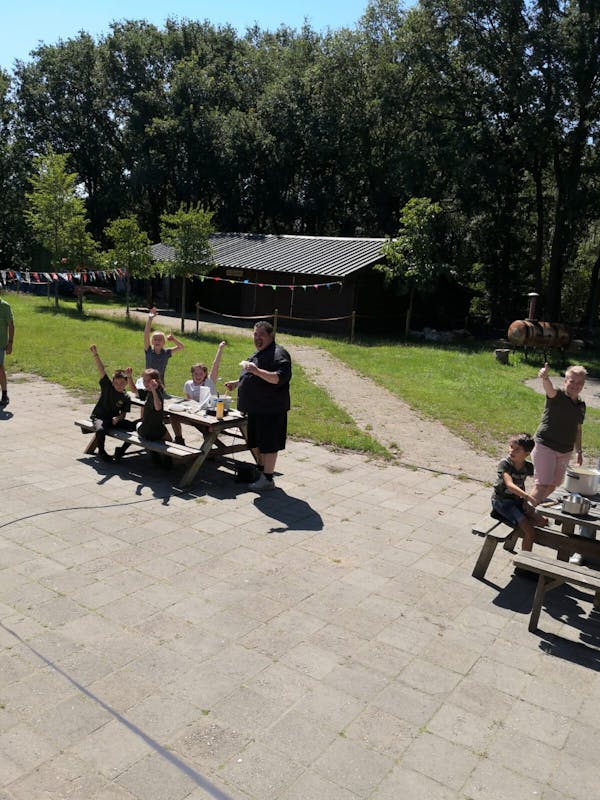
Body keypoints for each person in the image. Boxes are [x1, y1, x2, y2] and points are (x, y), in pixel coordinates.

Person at [225, 321, 291, 491]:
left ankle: (268, 479)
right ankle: (261, 472)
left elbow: (279, 378)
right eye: (255, 334)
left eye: (261, 334)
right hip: (255, 408)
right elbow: (251, 374)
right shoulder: (259, 353)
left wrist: (256, 371)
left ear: (271, 336)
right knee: (255, 442)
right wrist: (237, 383)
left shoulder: (278, 354)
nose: (257, 338)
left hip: (271, 409)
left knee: (269, 445)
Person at [529, 363, 587, 506]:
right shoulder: (557, 396)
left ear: (583, 384)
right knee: (542, 485)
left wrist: (578, 451)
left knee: (553, 485)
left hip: (565, 451)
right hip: (545, 445)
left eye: (579, 382)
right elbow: (549, 389)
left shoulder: (581, 406)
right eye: (572, 381)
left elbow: (578, 430)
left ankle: (530, 507)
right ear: (565, 381)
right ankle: (524, 513)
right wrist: (545, 378)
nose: (575, 385)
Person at [491, 433, 547, 552]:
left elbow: (532, 481)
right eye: (511, 447)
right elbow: (510, 485)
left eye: (517, 449)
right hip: (503, 502)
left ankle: (518, 523)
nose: (512, 451)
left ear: (527, 453)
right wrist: (528, 497)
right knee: (530, 532)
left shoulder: (527, 467)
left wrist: (525, 502)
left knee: (543, 521)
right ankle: (524, 561)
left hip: (517, 501)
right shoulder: (505, 464)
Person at [89, 345, 136, 462]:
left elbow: (123, 414)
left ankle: (121, 450)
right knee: (100, 430)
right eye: (116, 383)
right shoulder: (108, 387)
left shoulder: (126, 397)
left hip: (112, 420)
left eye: (122, 383)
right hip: (100, 417)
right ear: (113, 382)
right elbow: (101, 370)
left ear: (126, 383)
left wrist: (118, 418)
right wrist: (95, 354)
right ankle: (101, 452)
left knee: (135, 427)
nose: (118, 385)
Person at [115, 368, 172, 463]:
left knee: (136, 425)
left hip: (146, 431)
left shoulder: (156, 392)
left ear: (155, 381)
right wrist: (129, 377)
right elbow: (134, 390)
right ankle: (162, 457)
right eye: (144, 380)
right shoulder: (150, 391)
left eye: (147, 380)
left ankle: (157, 455)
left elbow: (158, 407)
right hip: (155, 430)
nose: (145, 383)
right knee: (168, 438)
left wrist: (153, 390)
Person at [144, 307, 184, 390]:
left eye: (160, 339)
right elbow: (146, 333)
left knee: (160, 397)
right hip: (147, 383)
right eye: (155, 339)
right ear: (152, 342)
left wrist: (173, 339)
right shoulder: (148, 350)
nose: (157, 341)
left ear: (164, 342)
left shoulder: (166, 353)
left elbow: (181, 347)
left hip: (160, 383)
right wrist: (150, 319)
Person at [0, 291, 14, 408]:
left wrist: (10, 343)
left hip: (0, 344)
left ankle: (4, 394)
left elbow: (11, 325)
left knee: (0, 368)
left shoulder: (5, 306)